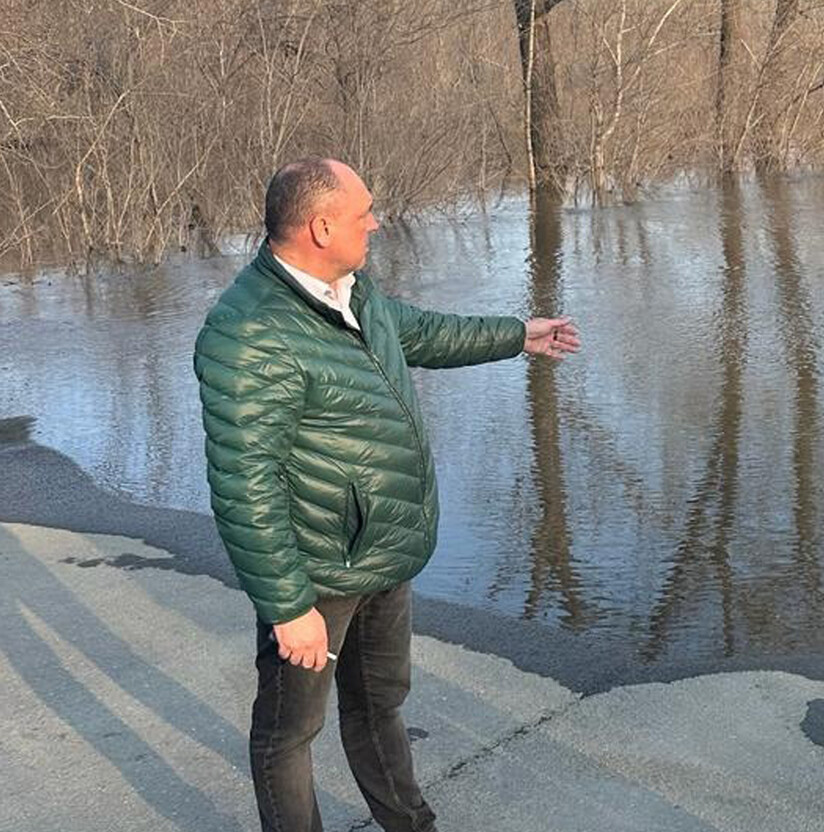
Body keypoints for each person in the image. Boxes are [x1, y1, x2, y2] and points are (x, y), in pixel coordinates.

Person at [194, 157, 579, 832]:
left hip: (381, 549)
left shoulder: (352, 290)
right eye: (363, 212)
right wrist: (287, 605)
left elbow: (423, 333)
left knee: (378, 707)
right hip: (316, 573)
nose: (376, 222)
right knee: (288, 733)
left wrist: (519, 335)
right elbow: (243, 482)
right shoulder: (248, 332)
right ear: (320, 226)